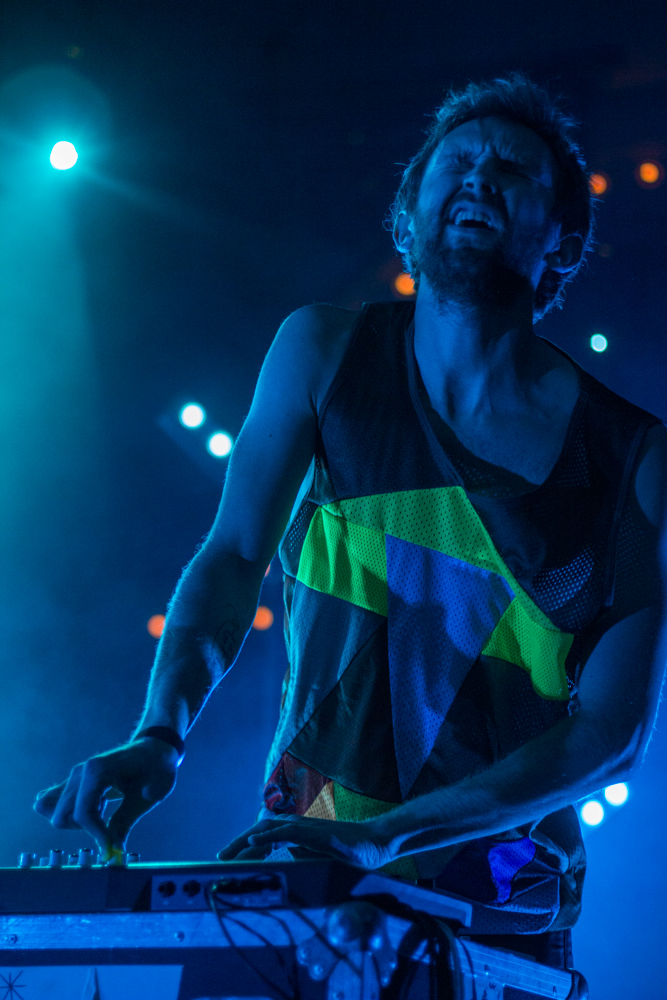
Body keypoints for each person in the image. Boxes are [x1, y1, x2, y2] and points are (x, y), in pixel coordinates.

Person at [35, 74, 666, 966]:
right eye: (458, 161)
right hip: (309, 866)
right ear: (409, 212)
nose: (480, 176)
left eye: (513, 169)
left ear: (560, 233)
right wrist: (161, 733)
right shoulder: (323, 353)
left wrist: (390, 837)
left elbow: (610, 734)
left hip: (503, 906)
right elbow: (233, 555)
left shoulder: (633, 459)